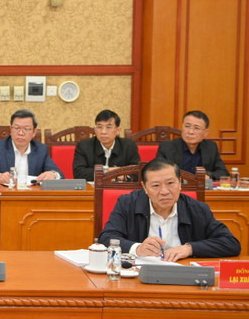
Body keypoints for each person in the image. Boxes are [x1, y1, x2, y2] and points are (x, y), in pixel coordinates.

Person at [98, 158, 240, 262]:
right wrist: (137, 248)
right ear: (145, 187)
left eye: (170, 183)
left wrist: (189, 248)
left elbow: (230, 243)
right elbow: (106, 237)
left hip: (184, 276)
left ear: (180, 183)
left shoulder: (196, 209)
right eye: (156, 185)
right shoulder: (128, 203)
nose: (164, 191)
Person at [0, 109, 62, 183]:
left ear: (34, 132)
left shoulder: (41, 149)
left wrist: (53, 174)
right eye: (16, 128)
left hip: (32, 195)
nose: (20, 133)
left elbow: (59, 173)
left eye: (26, 129)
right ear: (10, 130)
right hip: (5, 194)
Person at [157, 110, 228, 180]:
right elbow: (157, 172)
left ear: (206, 132)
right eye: (187, 126)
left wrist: (208, 176)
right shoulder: (166, 147)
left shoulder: (211, 147)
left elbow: (223, 172)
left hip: (201, 187)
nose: (191, 132)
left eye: (196, 128)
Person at [73, 109, 140, 181]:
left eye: (108, 127)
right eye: (99, 127)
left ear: (118, 130)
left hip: (119, 187)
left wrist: (124, 177)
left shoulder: (129, 146)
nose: (103, 132)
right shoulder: (84, 146)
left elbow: (137, 173)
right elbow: (78, 173)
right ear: (95, 130)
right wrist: (109, 171)